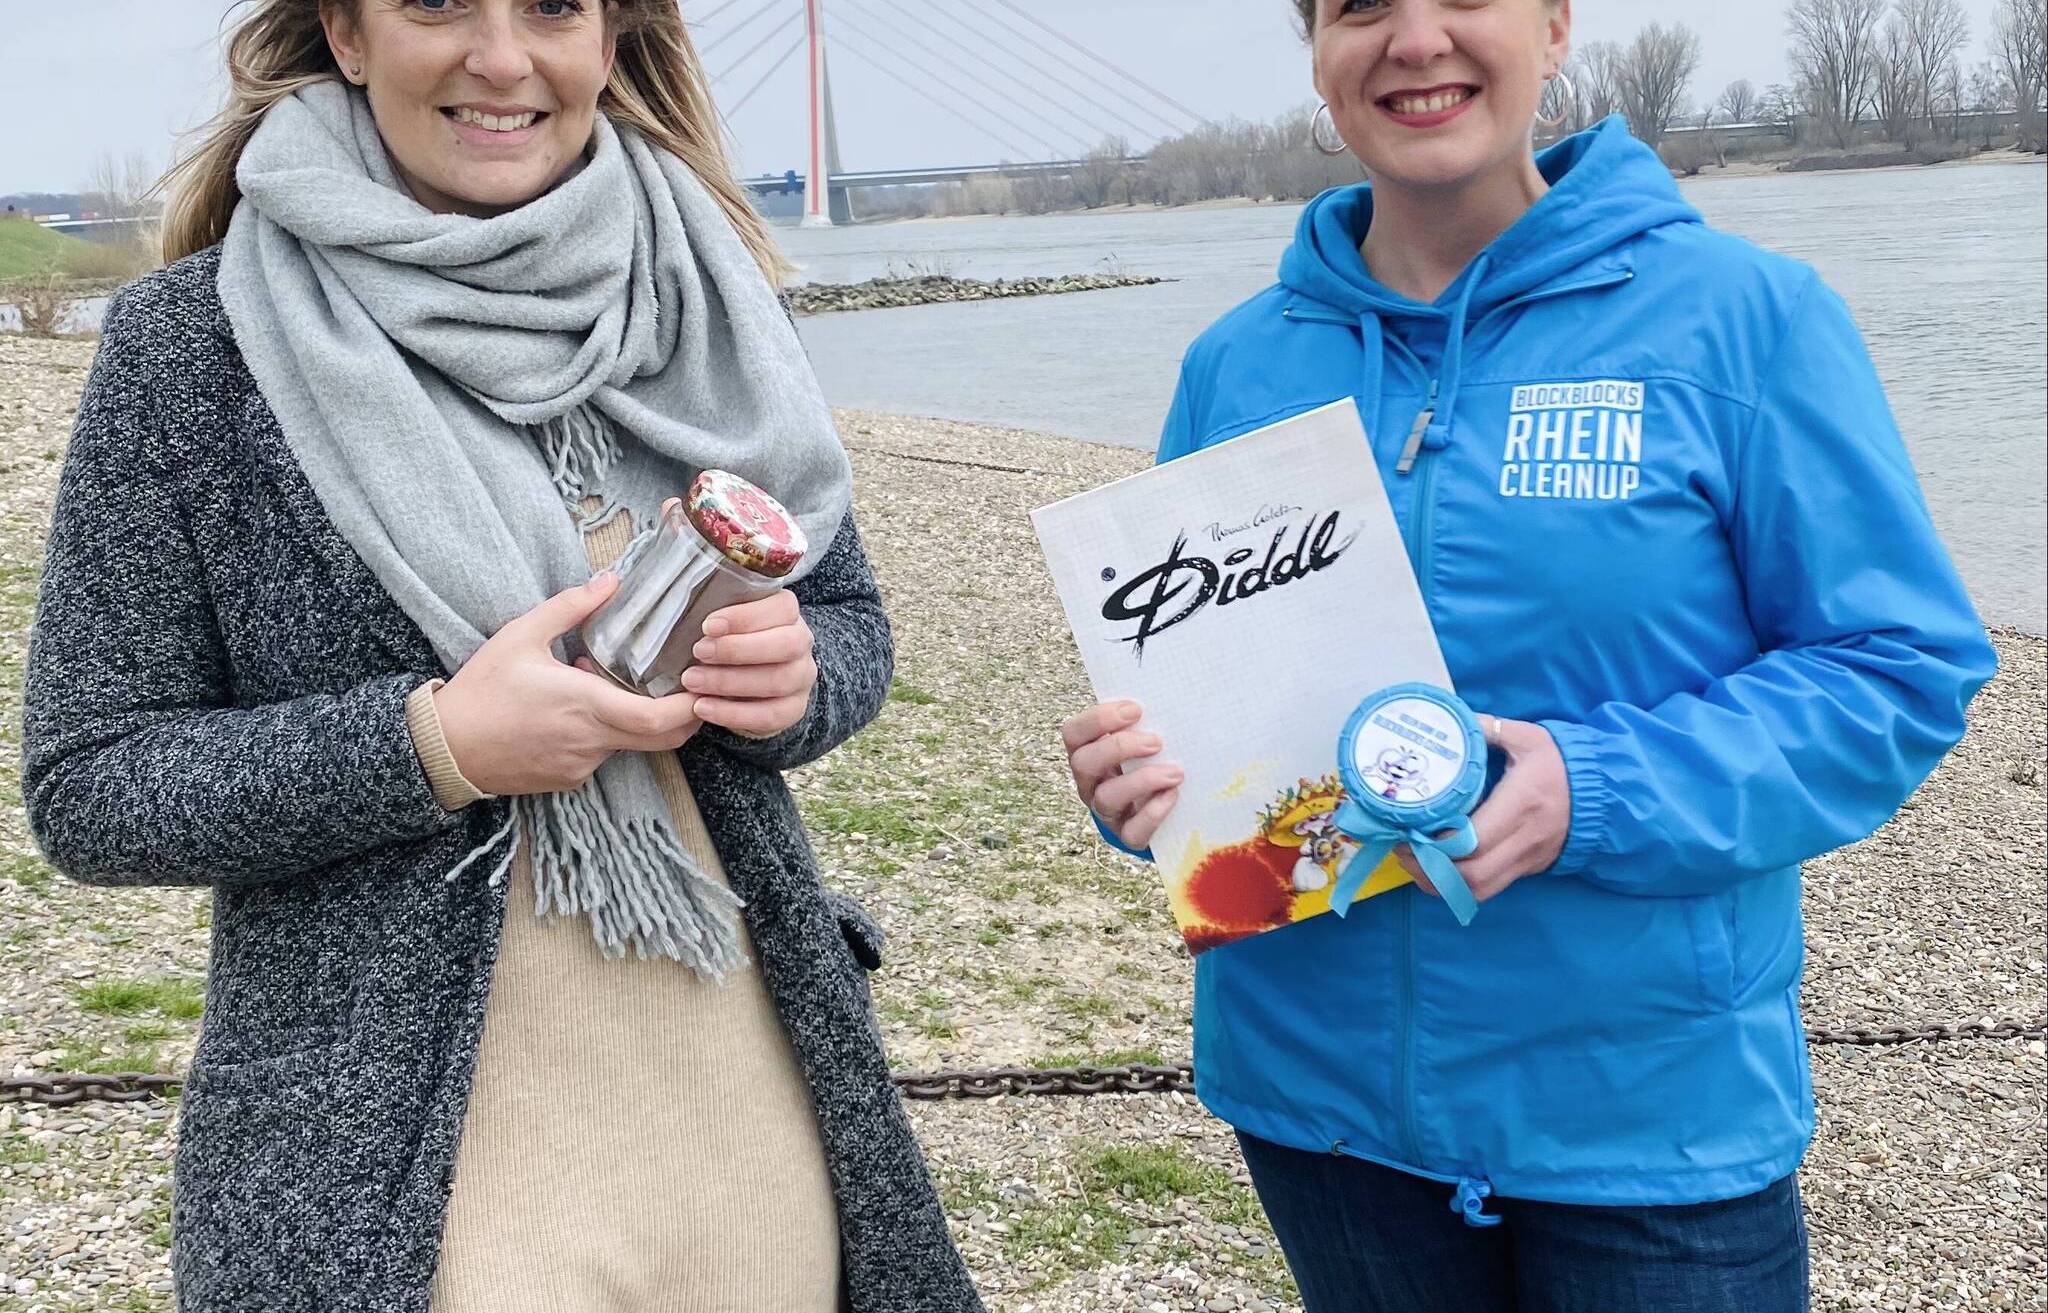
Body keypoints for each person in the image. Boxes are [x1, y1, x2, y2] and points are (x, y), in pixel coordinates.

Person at [21, 3, 983, 1311]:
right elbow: (91, 785)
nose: (502, 56)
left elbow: (849, 612)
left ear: (607, 39)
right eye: (436, 5)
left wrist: (797, 680)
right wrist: (433, 747)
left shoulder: (704, 299)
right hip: (392, 1178)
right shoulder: (192, 349)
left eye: (551, 8)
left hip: (759, 1131)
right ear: (346, 38)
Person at [1060, 2, 1996, 1310]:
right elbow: (1202, 690)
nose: (1414, 38)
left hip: (1647, 1117)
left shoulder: (1745, 320)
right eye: (1360, 7)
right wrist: (1142, 784)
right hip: (1321, 1103)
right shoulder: (1239, 362)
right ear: (1319, 54)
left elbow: (1898, 665)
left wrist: (1594, 788)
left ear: (1554, 27)